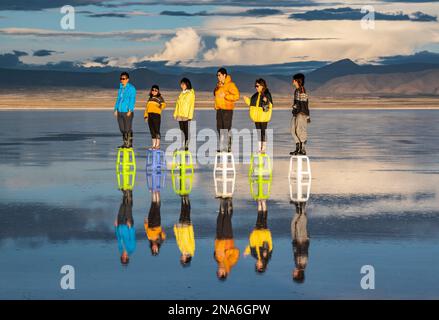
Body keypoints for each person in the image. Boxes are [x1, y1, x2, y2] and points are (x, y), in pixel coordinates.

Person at [214, 68, 240, 152]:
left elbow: (237, 96)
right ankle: (222, 146)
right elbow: (216, 95)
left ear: (224, 75)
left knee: (226, 128)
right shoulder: (219, 85)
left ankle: (228, 146)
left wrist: (226, 96)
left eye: (219, 75)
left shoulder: (230, 85)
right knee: (219, 128)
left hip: (227, 110)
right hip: (219, 109)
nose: (218, 77)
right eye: (217, 75)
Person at [244, 78, 273, 153]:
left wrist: (266, 101)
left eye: (257, 86)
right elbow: (252, 104)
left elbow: (268, 106)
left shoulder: (267, 94)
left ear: (262, 86)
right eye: (255, 86)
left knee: (263, 132)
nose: (256, 87)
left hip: (263, 117)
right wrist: (247, 100)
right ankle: (260, 148)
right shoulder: (255, 95)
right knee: (258, 132)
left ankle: (263, 148)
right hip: (257, 117)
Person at [244, 199, 273, 273]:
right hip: (263, 233)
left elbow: (250, 247)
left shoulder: (255, 256)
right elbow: (270, 245)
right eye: (259, 266)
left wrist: (246, 252)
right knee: (264, 218)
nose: (257, 264)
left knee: (259, 216)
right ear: (263, 265)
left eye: (257, 266)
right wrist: (268, 235)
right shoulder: (266, 256)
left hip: (256, 233)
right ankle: (264, 203)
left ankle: (259, 203)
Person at [214, 198, 239, 280]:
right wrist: (227, 252)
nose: (219, 271)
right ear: (224, 272)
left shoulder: (218, 260)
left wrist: (216, 241)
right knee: (226, 218)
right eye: (220, 273)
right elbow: (236, 252)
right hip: (228, 238)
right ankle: (227, 202)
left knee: (220, 219)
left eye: (218, 272)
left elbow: (216, 251)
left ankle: (223, 202)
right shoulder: (231, 262)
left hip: (219, 237)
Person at [114, 72, 136, 148]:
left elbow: (132, 99)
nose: (122, 80)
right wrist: (115, 109)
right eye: (121, 79)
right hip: (120, 111)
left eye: (123, 79)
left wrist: (130, 110)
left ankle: (129, 143)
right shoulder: (121, 88)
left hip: (127, 111)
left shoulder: (131, 88)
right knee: (122, 129)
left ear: (127, 79)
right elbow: (118, 99)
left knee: (127, 128)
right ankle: (125, 143)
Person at [290, 73, 310, 156]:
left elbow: (304, 103)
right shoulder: (297, 90)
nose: (292, 81)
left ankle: (303, 149)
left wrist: (307, 115)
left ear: (297, 81)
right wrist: (295, 108)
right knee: (292, 130)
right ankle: (298, 148)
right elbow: (298, 103)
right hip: (296, 113)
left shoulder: (302, 90)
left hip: (301, 113)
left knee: (300, 130)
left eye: (294, 80)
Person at [114, 189, 136, 265]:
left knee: (122, 206)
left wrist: (116, 227)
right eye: (125, 258)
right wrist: (130, 227)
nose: (123, 257)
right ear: (128, 257)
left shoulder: (120, 249)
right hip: (127, 225)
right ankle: (129, 193)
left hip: (120, 224)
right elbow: (132, 237)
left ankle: (125, 194)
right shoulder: (131, 248)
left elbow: (118, 237)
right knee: (128, 207)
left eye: (122, 258)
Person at [174, 78, 195, 151]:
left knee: (186, 131)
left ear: (187, 84)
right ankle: (182, 144)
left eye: (183, 84)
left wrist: (190, 116)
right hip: (180, 114)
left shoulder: (190, 93)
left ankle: (186, 145)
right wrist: (175, 114)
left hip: (186, 115)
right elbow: (177, 105)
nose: (182, 85)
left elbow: (191, 105)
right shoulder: (181, 93)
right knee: (181, 130)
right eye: (181, 84)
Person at [173, 195, 195, 267]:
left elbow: (178, 238)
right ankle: (187, 199)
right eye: (182, 260)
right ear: (186, 259)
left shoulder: (181, 249)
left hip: (180, 227)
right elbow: (191, 238)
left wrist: (175, 229)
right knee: (187, 211)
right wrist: (190, 227)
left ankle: (183, 199)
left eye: (181, 259)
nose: (181, 258)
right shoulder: (191, 250)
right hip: (187, 226)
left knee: (182, 210)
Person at [291, 201, 310, 283]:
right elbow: (303, 251)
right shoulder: (302, 263)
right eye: (294, 274)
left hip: (296, 241)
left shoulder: (298, 265)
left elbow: (296, 252)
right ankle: (302, 207)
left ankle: (298, 207)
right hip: (301, 240)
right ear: (298, 274)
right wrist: (300, 241)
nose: (292, 273)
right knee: (300, 224)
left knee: (294, 224)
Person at [144, 191, 166, 256]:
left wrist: (145, 223)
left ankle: (153, 191)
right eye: (156, 249)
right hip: (156, 223)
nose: (154, 248)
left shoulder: (149, 239)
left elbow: (146, 230)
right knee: (157, 207)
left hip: (150, 223)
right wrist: (160, 237)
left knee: (153, 206)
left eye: (153, 250)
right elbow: (163, 234)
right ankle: (158, 192)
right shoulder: (160, 241)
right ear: (158, 248)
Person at [144, 85, 166, 150]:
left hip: (156, 115)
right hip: (150, 115)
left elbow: (164, 104)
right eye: (153, 90)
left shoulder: (159, 97)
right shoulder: (150, 98)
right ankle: (153, 145)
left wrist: (161, 106)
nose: (154, 91)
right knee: (152, 131)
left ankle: (157, 145)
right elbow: (147, 108)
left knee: (157, 130)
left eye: (155, 90)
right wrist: (145, 116)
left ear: (158, 91)